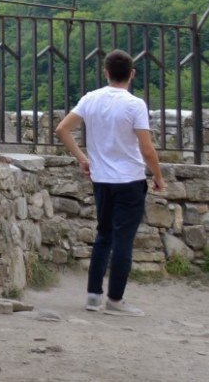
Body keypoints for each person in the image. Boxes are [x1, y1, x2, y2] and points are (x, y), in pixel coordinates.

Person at [54, 49, 166, 316]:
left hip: (101, 179)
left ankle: (93, 296)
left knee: (103, 235)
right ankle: (115, 300)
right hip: (130, 180)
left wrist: (83, 158)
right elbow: (147, 148)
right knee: (123, 240)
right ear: (132, 74)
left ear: (106, 72)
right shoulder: (134, 104)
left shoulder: (90, 99)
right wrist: (158, 176)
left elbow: (62, 129)